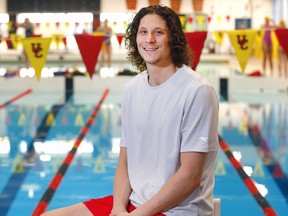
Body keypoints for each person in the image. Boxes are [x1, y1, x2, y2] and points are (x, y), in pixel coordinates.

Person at [41, 4, 219, 216]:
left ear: (173, 39)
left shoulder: (197, 91)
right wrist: (118, 208)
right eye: (143, 32)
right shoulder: (132, 89)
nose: (149, 40)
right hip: (133, 204)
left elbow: (190, 176)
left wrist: (136, 215)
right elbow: (124, 162)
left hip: (178, 210)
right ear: (135, 38)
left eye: (158, 32)